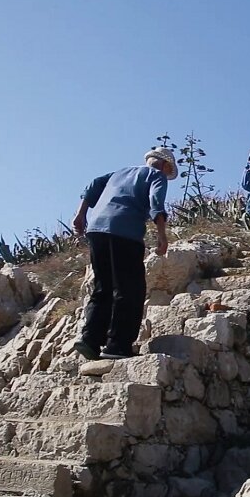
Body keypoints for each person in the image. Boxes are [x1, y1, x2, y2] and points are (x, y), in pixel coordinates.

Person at [70, 147, 176, 360]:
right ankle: (117, 346)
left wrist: (80, 214)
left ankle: (90, 339)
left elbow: (92, 185)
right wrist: (162, 235)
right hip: (125, 233)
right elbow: (156, 203)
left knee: (103, 287)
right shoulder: (156, 176)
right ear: (165, 165)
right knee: (130, 289)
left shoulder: (119, 173)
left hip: (97, 230)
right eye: (168, 170)